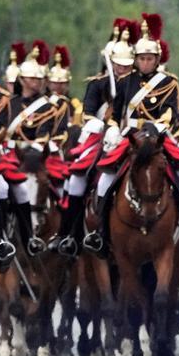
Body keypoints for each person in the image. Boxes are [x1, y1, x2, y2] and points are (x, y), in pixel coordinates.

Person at [85, 13, 179, 253]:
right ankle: (100, 233)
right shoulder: (125, 82)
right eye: (142, 58)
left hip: (159, 136)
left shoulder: (169, 83)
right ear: (136, 59)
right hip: (131, 136)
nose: (145, 62)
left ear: (157, 60)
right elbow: (115, 112)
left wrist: (156, 128)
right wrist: (113, 128)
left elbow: (171, 113)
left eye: (150, 58)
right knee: (105, 178)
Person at [54, 18, 136, 256]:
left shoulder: (137, 86)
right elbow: (88, 115)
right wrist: (106, 126)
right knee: (80, 178)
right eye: (118, 65)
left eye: (126, 65)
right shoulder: (97, 85)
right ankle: (69, 235)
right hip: (103, 138)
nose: (122, 69)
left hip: (131, 139)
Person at [3, 41, 68, 256]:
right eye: (31, 79)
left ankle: (63, 234)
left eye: (39, 79)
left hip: (38, 156)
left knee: (61, 186)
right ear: (22, 80)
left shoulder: (50, 107)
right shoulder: (9, 104)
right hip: (9, 154)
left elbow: (45, 135)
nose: (36, 83)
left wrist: (29, 146)